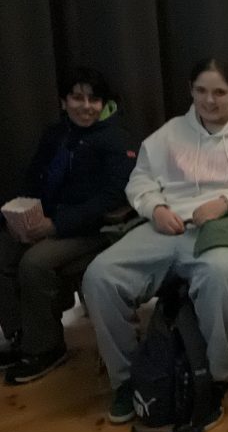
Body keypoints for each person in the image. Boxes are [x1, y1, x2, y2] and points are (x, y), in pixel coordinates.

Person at [82, 58, 228, 425]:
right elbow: (140, 180)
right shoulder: (170, 133)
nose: (210, 100)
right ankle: (128, 380)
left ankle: (214, 379)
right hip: (167, 226)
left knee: (221, 274)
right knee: (99, 276)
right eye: (201, 91)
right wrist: (155, 208)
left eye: (219, 92)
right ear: (190, 90)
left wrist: (226, 202)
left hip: (220, 230)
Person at [0, 67, 135, 384]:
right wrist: (19, 218)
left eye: (93, 99)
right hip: (46, 220)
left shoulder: (116, 140)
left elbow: (111, 198)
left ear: (104, 103)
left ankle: (46, 348)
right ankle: (21, 336)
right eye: (77, 98)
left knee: (34, 263)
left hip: (93, 229)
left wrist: (55, 226)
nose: (86, 106)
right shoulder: (55, 134)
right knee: (4, 251)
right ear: (64, 102)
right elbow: (33, 180)